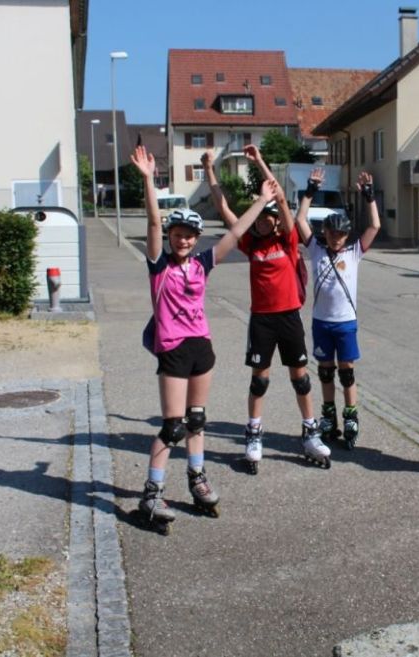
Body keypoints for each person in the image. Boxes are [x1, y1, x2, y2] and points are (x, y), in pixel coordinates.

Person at [131, 145, 277, 530]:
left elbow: (237, 231)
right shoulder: (159, 267)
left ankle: (197, 479)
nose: (183, 241)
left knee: (196, 420)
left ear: (196, 239)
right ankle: (152, 493)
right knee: (172, 426)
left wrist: (262, 200)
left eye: (189, 236)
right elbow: (152, 222)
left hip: (201, 347)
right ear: (171, 236)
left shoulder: (201, 264)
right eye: (178, 235)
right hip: (173, 349)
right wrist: (148, 180)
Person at [201, 146, 330, 473]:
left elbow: (281, 199)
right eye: (258, 218)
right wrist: (209, 170)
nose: (261, 222)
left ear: (274, 221)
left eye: (266, 218)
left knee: (301, 378)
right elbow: (223, 207)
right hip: (261, 320)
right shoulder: (250, 244)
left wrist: (259, 161)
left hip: (289, 317)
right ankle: (254, 433)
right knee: (259, 381)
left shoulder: (287, 240)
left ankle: (310, 432)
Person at [293, 168, 380, 449]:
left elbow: (375, 226)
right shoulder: (316, 249)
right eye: (331, 233)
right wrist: (310, 190)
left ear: (346, 235)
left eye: (341, 234)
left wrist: (369, 196)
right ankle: (329, 414)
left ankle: (351, 415)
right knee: (325, 371)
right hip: (321, 322)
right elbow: (299, 219)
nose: (336, 238)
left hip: (345, 322)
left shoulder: (354, 253)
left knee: (347, 372)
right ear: (325, 233)